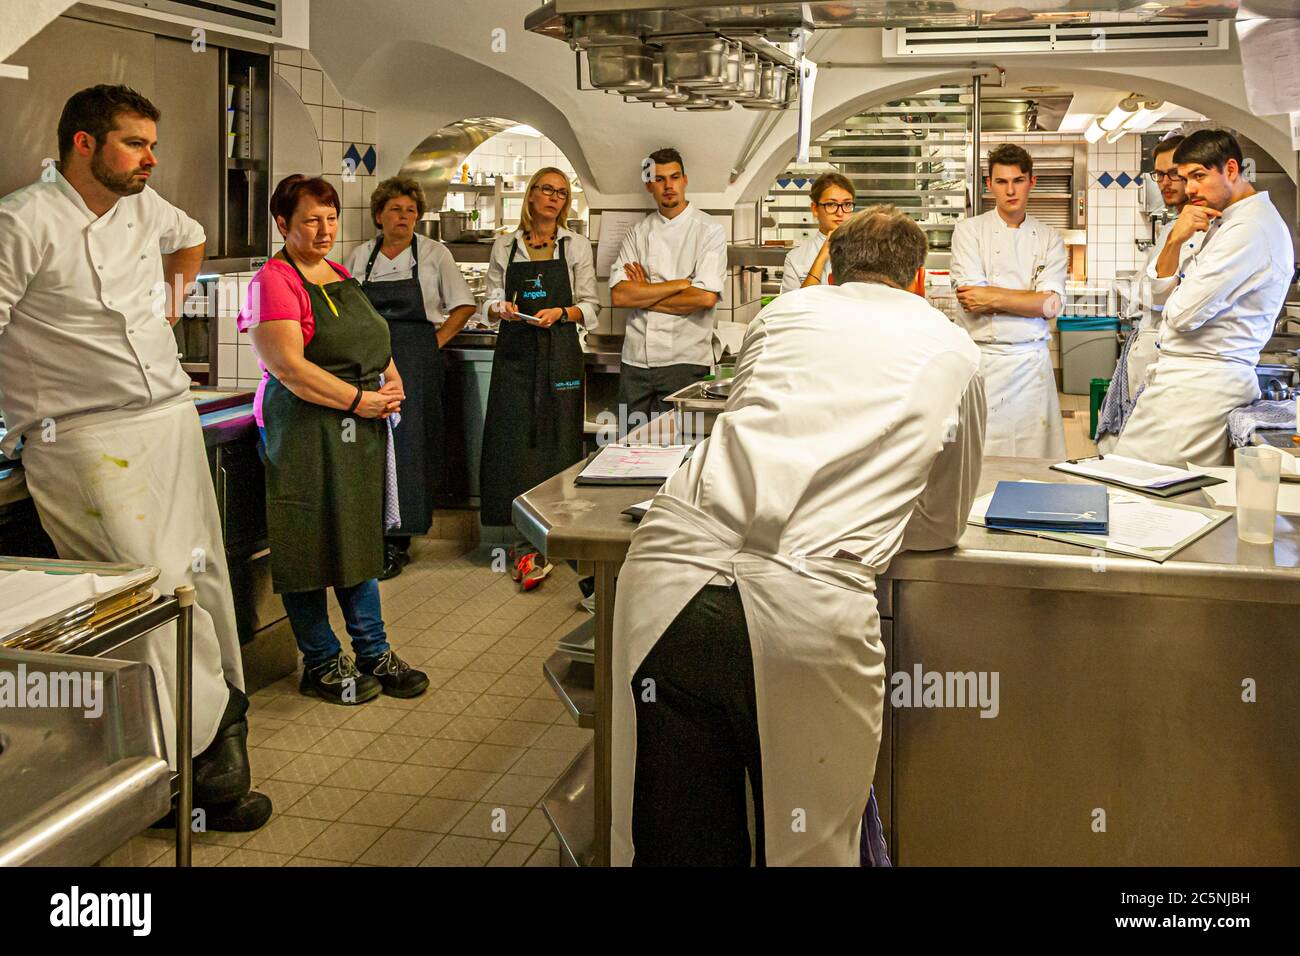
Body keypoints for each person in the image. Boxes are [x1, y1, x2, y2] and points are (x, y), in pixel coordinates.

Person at [611, 206, 987, 866]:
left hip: (667, 577)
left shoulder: (783, 314)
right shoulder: (954, 347)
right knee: (805, 846)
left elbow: (750, 418)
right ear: (921, 278)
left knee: (678, 839)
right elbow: (943, 518)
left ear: (833, 271)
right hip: (807, 610)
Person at [0, 85, 269, 829]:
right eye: (135, 143)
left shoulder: (140, 206)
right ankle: (168, 773)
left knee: (199, 581)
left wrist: (167, 307)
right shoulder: (21, 223)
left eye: (152, 143)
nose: (151, 157)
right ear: (84, 144)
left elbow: (190, 238)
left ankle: (217, 743)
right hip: (81, 437)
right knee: (139, 602)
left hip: (167, 417)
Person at [242, 174, 429, 703]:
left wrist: (391, 375)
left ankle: (374, 651)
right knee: (308, 542)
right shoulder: (273, 282)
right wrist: (356, 401)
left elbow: (368, 338)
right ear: (283, 224)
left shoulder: (339, 272)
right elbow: (288, 368)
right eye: (311, 221)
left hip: (356, 428)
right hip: (304, 427)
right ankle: (321, 661)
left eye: (330, 219)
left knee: (356, 537)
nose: (324, 230)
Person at [1113, 128, 1294, 466]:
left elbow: (1180, 313)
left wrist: (1176, 294)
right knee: (1136, 485)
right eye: (1185, 178)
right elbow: (1158, 296)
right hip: (1180, 385)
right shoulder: (1218, 222)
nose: (1190, 188)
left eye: (1198, 175)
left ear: (1230, 169)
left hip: (1201, 389)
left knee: (1145, 489)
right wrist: (1174, 242)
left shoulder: (1250, 230)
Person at [346, 178, 476, 580]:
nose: (403, 218)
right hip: (368, 362)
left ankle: (399, 540)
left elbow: (464, 305)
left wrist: (433, 342)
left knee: (409, 447)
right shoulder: (360, 256)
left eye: (410, 211)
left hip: (416, 360)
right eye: (395, 210)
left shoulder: (435, 253)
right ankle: (369, 533)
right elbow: (348, 306)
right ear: (378, 215)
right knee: (369, 444)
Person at [479, 166, 599, 588]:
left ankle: (562, 541)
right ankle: (521, 545)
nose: (553, 198)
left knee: (558, 444)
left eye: (562, 194)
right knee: (513, 446)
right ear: (531, 196)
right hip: (515, 356)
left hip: (560, 354)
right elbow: (490, 298)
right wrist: (500, 309)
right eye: (546, 190)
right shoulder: (505, 246)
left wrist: (562, 313)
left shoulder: (576, 245)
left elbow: (591, 304)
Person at [950, 144, 1068, 458]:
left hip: (1032, 364)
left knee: (1035, 458)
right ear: (989, 185)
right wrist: (1031, 300)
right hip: (984, 361)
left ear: (1032, 181)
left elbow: (1051, 306)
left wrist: (995, 297)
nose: (1010, 190)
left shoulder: (1049, 238)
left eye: (1018, 180)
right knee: (982, 456)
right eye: (1001, 182)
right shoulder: (969, 231)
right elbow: (972, 298)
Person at [610, 147, 728, 427]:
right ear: (649, 185)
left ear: (685, 180)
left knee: (682, 448)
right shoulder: (638, 232)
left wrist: (645, 293)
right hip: (635, 362)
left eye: (674, 177)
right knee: (629, 448)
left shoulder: (709, 230)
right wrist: (678, 284)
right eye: (659, 179)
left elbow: (704, 298)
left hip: (685, 361)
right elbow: (620, 295)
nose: (668, 186)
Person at [1096, 135, 1198, 451]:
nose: (1164, 183)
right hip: (1147, 348)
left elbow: (1161, 296)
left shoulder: (1197, 228)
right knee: (1121, 445)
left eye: (1173, 174)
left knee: (1137, 450)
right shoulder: (1173, 226)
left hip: (1167, 355)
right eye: (1159, 174)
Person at [780, 171, 855, 293]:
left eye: (847, 204)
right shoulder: (795, 258)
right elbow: (793, 307)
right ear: (815, 209)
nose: (840, 213)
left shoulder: (868, 251)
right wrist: (821, 258)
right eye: (831, 204)